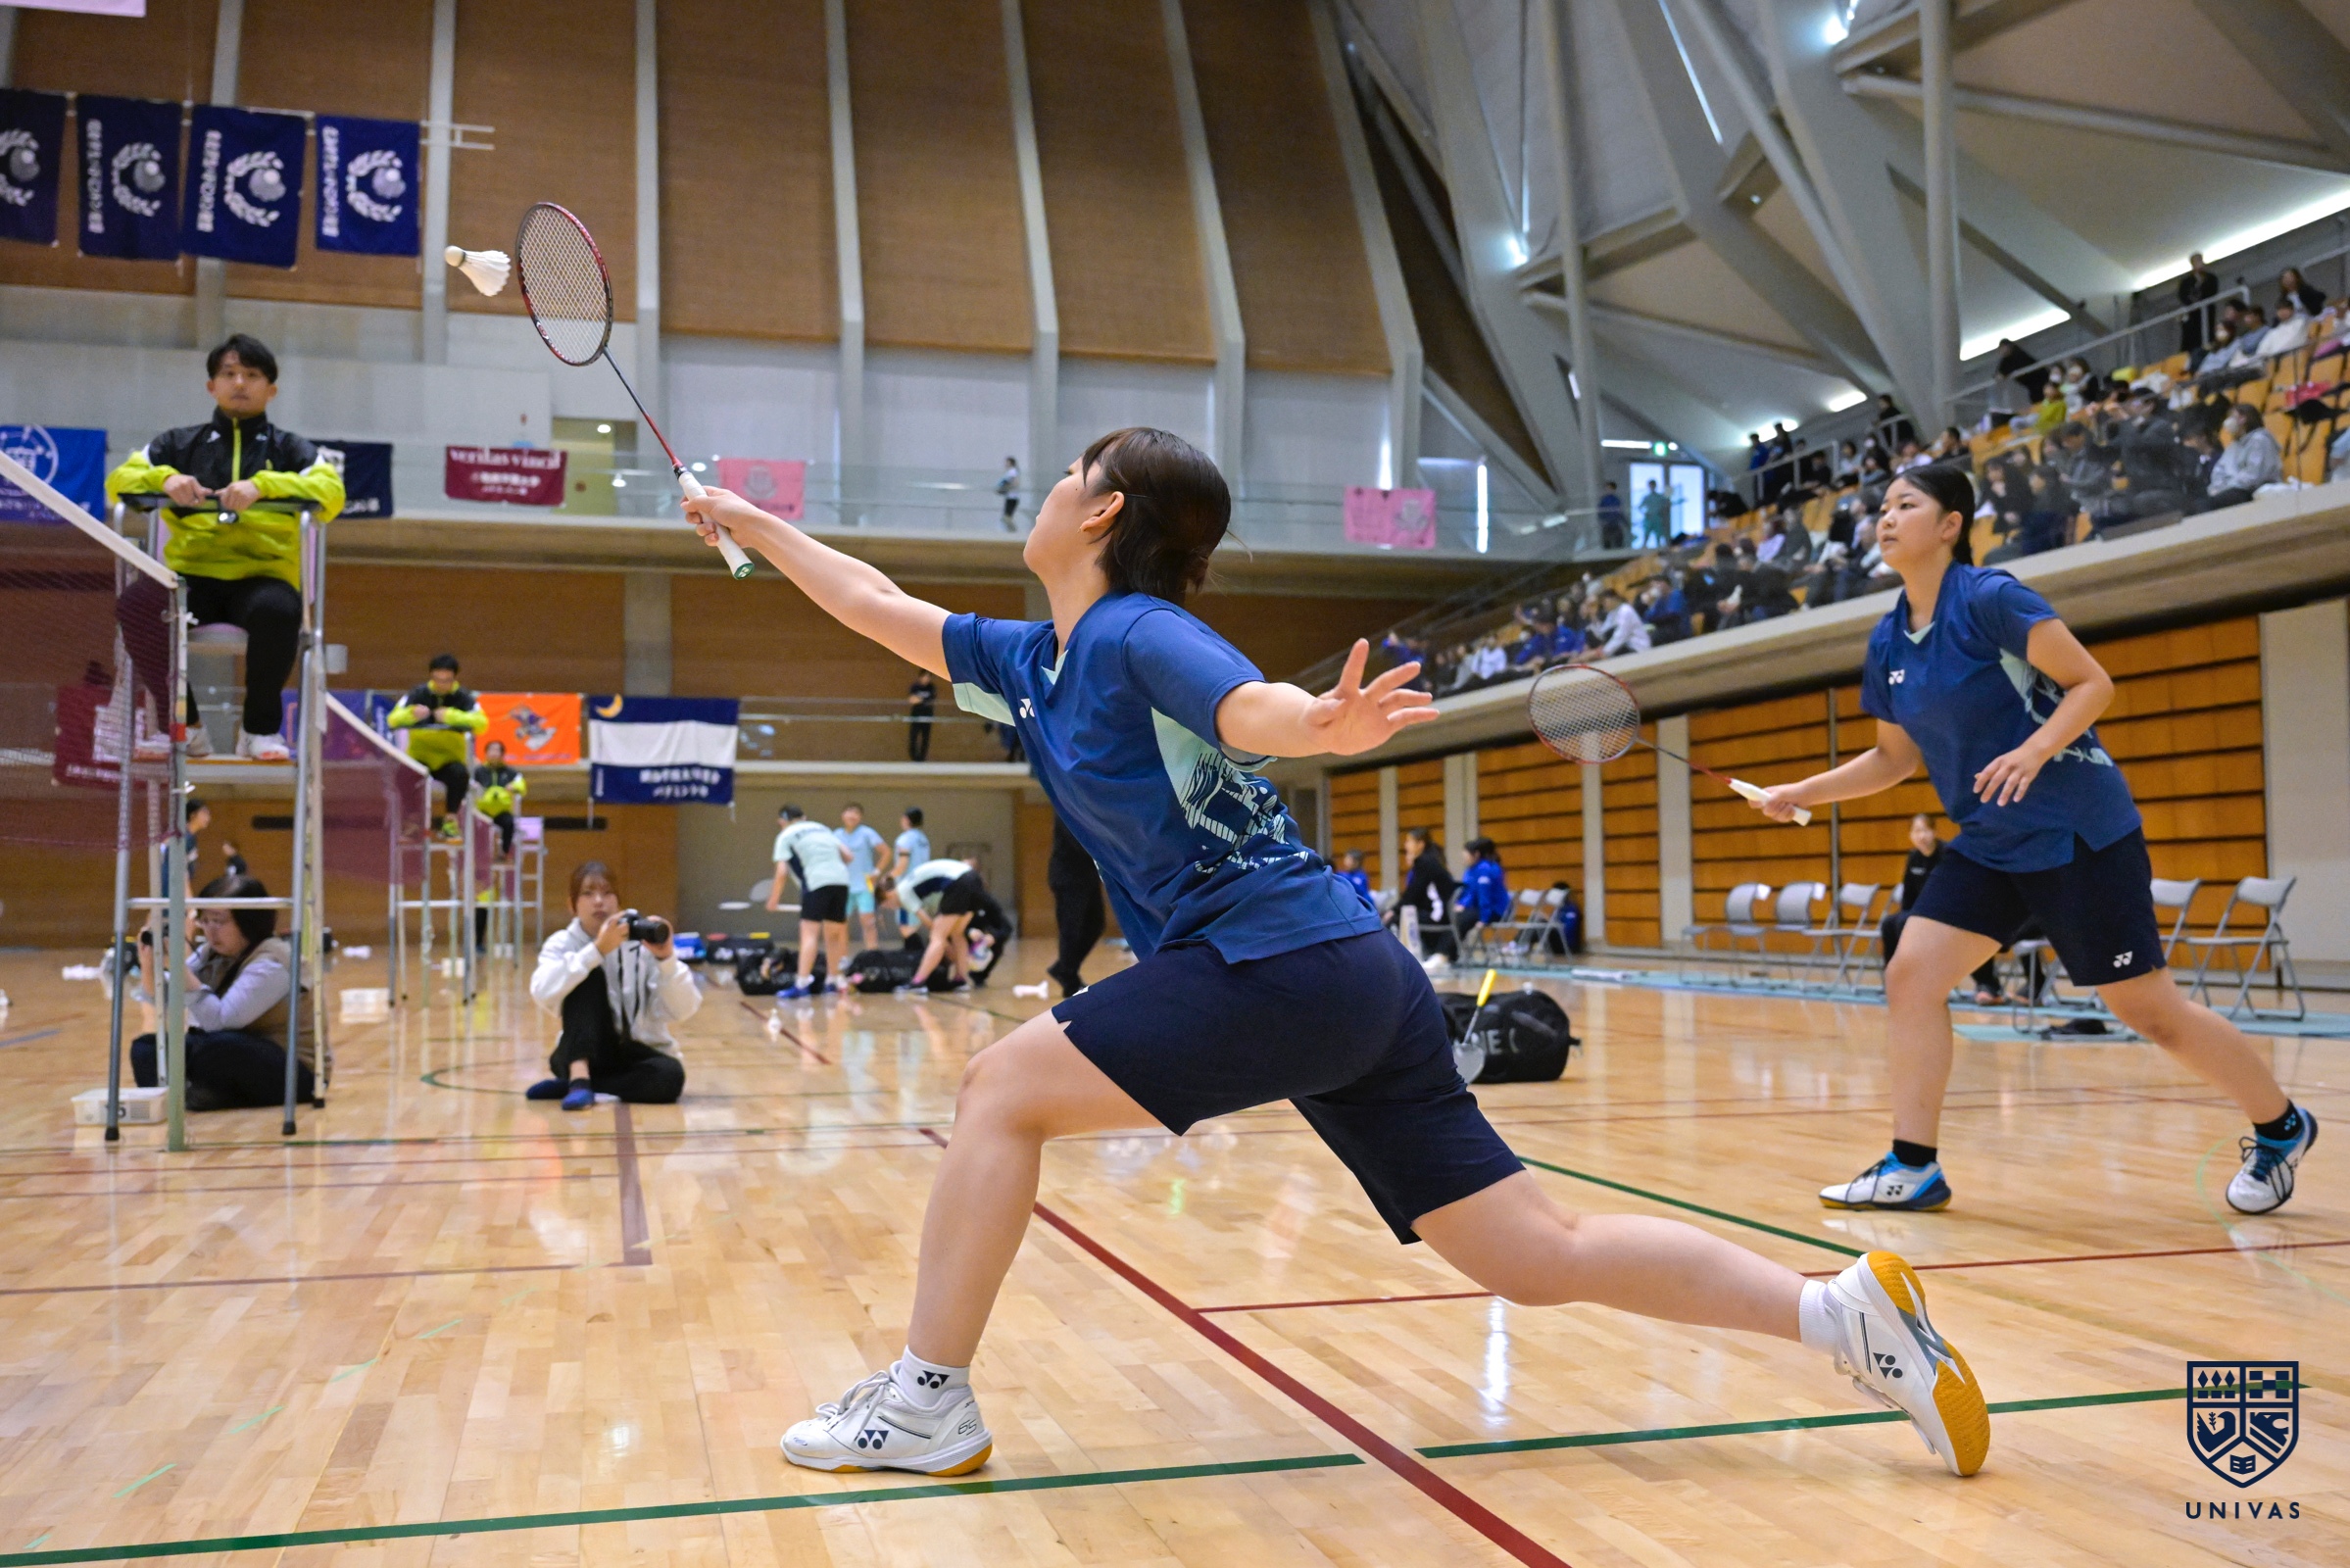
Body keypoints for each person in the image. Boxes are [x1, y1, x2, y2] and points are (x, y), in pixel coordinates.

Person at [683, 423, 1990, 1483]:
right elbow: (873, 602)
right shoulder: (1033, 659)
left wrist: (1317, 723)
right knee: (1532, 1253)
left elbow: (1243, 702)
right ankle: (1838, 1313)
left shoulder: (1135, 629)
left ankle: (926, 1399)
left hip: (1278, 961)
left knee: (997, 1089)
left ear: (1102, 511)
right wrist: (751, 524)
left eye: (1071, 472)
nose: (1049, 488)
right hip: (1348, 972)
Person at [1750, 465, 2317, 1219]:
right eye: (1881, 507)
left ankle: (2282, 1126)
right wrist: (1802, 792)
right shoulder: (1889, 639)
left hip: (2077, 829)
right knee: (1912, 975)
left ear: (1950, 525)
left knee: (2147, 1010)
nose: (1884, 518)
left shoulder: (1989, 599)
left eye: (1905, 505)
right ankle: (1913, 1165)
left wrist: (2034, 750)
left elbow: (2093, 683)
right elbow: (1893, 758)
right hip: (1990, 839)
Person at [106, 333, 347, 761]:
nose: (239, 383)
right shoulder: (176, 445)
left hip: (261, 578)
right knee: (138, 605)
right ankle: (185, 727)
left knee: (280, 609)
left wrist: (264, 485)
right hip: (189, 579)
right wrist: (164, 479)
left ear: (270, 390)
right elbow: (118, 482)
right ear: (211, 386)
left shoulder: (291, 449)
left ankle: (259, 731)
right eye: (229, 374)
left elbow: (332, 493)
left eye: (251, 375)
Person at [127, 871, 314, 1109]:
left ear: (249, 921)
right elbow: (164, 999)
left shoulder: (273, 962)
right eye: (204, 920)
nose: (210, 930)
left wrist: (178, 967)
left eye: (219, 921)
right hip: (234, 1050)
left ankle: (202, 1093)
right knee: (147, 1048)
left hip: (292, 1068)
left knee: (217, 1047)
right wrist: (148, 964)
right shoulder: (212, 953)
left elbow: (219, 1022)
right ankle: (185, 1098)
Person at [526, 860, 693, 1108]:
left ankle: (580, 1085)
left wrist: (667, 959)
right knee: (586, 973)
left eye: (607, 893)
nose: (598, 902)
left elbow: (683, 1010)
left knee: (670, 1077)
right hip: (580, 1052)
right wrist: (595, 951)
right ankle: (579, 1076)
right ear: (572, 905)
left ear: (619, 902)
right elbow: (541, 991)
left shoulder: (642, 944)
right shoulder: (562, 943)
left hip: (635, 1053)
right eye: (588, 893)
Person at [1881, 814, 2004, 1003]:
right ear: (1910, 835)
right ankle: (1895, 982)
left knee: (1971, 928)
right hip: (1923, 913)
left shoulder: (1947, 855)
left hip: (1951, 910)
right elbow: (1909, 896)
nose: (1921, 836)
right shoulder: (1913, 857)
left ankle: (1987, 984)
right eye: (1916, 831)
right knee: (1890, 924)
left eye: (1925, 830)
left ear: (1934, 831)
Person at [387, 655, 487, 839]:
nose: (441, 684)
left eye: (446, 680)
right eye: (437, 679)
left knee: (460, 775)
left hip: (448, 759)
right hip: (420, 758)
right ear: (431, 676)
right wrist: (412, 714)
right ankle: (413, 819)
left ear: (454, 678)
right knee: (402, 776)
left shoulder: (464, 698)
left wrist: (451, 716)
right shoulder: (417, 694)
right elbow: (393, 719)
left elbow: (482, 724)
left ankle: (450, 821)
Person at [891, 857, 1010, 989]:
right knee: (957, 934)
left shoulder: (904, 890)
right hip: (973, 883)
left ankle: (918, 982)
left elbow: (928, 922)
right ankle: (961, 980)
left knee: (937, 937)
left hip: (960, 884)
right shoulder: (970, 877)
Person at [770, 805, 851, 999]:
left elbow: (782, 872)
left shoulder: (785, 835)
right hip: (841, 881)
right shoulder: (822, 828)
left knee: (809, 934)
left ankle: (801, 984)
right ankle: (832, 981)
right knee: (833, 936)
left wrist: (773, 900)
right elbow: (848, 856)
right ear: (804, 817)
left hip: (816, 883)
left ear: (782, 822)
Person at [1046, 817, 1107, 997]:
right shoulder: (1067, 808)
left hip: (1088, 877)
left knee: (1096, 924)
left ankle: (1063, 968)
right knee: (1070, 930)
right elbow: (1079, 842)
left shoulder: (1087, 808)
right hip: (1068, 878)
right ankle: (1069, 981)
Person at [1389, 826, 1457, 957]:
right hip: (1434, 912)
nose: (1406, 845)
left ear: (1420, 844)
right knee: (1401, 915)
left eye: (1409, 841)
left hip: (1437, 914)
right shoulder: (1429, 860)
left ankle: (1400, 957)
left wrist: (1394, 910)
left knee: (1394, 919)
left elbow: (1413, 894)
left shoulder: (1425, 862)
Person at [2201, 403, 2280, 509]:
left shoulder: (2260, 440)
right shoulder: (2232, 447)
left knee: (2211, 505)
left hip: (2252, 489)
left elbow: (2254, 475)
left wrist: (2227, 487)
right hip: (2231, 490)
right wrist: (2216, 489)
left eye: (2231, 416)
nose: (2227, 421)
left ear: (2244, 418)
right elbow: (2219, 471)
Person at [836, 803, 889, 951]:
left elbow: (886, 852)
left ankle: (872, 956)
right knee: (841, 924)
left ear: (861, 817)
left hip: (865, 885)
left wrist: (876, 872)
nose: (852, 816)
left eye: (856, 813)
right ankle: (842, 959)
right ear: (843, 815)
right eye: (849, 812)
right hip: (843, 886)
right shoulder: (836, 835)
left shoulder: (867, 833)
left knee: (868, 923)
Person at [1450, 836, 1510, 952]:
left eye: (1466, 856)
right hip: (1480, 908)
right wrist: (1461, 904)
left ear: (1476, 854)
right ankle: (1450, 951)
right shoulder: (1471, 870)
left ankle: (1451, 952)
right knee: (1454, 916)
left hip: (1494, 911)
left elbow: (1484, 896)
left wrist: (1484, 919)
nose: (1464, 859)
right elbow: (1470, 892)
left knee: (1462, 920)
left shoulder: (1485, 869)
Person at [473, 740, 527, 858]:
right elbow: (469, 785)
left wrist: (514, 787)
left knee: (509, 823)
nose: (493, 753)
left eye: (497, 750)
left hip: (502, 812)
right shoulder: (478, 771)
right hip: (482, 812)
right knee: (474, 825)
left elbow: (521, 785)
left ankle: (504, 852)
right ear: (486, 753)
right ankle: (479, 855)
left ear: (502, 754)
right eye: (491, 750)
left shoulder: (510, 772)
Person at [2177, 255, 2221, 355]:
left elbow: (2213, 292)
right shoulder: (2186, 282)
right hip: (2193, 315)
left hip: (2207, 312)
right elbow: (2183, 296)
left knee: (2207, 331)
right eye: (2196, 262)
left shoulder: (2210, 278)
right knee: (2192, 335)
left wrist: (2202, 282)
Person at [893, 808, 932, 891]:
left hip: (907, 885)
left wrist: (888, 878)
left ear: (906, 819)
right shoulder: (924, 839)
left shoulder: (905, 839)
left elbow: (902, 865)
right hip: (923, 882)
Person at [906, 669, 938, 761]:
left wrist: (920, 700)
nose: (926, 679)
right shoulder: (915, 687)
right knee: (913, 737)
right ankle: (914, 758)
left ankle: (922, 758)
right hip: (916, 716)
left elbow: (931, 700)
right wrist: (924, 700)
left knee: (925, 738)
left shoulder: (931, 687)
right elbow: (911, 700)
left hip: (927, 716)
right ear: (920, 677)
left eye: (928, 677)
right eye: (925, 676)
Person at [1638, 478, 1672, 547]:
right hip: (1649, 518)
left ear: (1655, 486)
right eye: (1650, 485)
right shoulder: (1647, 497)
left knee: (1658, 534)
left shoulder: (1660, 497)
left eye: (1653, 485)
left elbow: (1667, 504)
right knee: (1646, 533)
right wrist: (1645, 513)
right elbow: (1640, 507)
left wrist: (1662, 512)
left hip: (1657, 518)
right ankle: (1644, 546)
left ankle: (1658, 547)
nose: (1652, 487)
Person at [1595, 480, 1627, 549]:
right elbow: (1600, 511)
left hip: (1615, 523)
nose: (1608, 490)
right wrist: (1603, 519)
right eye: (1607, 488)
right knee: (1607, 542)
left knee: (1619, 541)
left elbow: (1619, 512)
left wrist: (1625, 522)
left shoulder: (1616, 500)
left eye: (1610, 488)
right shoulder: (1603, 500)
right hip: (1607, 523)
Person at [997, 456, 1021, 532]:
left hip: (1013, 497)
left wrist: (1006, 487)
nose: (1005, 464)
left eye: (1007, 462)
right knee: (1006, 516)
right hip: (1009, 496)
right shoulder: (1010, 472)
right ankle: (1011, 530)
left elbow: (1016, 482)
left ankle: (1013, 531)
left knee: (1007, 517)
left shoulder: (1013, 472)